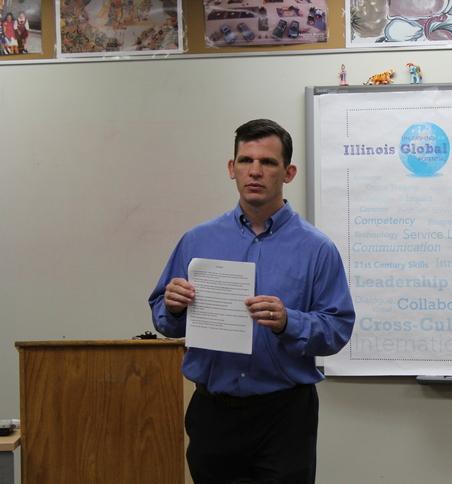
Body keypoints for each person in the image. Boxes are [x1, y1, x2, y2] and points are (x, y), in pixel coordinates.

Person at [149, 118, 355, 484]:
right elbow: (164, 319)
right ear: (232, 169)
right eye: (246, 161)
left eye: (268, 163)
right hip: (215, 411)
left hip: (285, 415)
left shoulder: (317, 248)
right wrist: (173, 306)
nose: (255, 171)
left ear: (288, 172)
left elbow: (337, 328)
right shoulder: (197, 240)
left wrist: (289, 321)